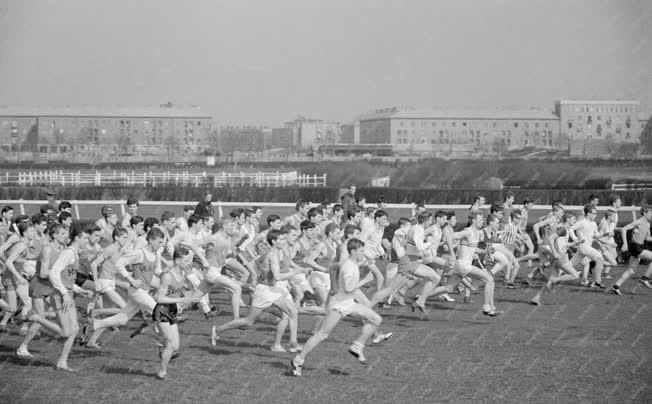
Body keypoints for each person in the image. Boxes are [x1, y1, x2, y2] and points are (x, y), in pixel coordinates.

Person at [290, 238, 382, 376]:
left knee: (376, 319)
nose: (363, 253)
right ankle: (298, 360)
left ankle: (357, 346)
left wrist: (368, 259)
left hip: (349, 303)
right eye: (361, 251)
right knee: (322, 335)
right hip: (338, 305)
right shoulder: (348, 267)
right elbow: (349, 288)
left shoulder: (352, 262)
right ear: (353, 251)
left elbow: (335, 267)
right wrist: (365, 280)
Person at [27, 225, 94, 371]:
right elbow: (53, 273)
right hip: (60, 295)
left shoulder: (74, 254)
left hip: (67, 294)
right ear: (77, 238)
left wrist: (79, 290)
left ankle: (62, 362)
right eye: (85, 238)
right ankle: (38, 318)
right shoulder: (68, 253)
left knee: (75, 329)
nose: (87, 241)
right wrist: (64, 293)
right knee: (66, 332)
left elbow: (67, 278)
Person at [153, 246, 197, 379]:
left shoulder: (182, 274)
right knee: (171, 345)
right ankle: (162, 372)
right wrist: (181, 299)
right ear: (178, 261)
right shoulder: (167, 276)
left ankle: (149, 333)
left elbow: (178, 292)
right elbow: (159, 298)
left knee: (175, 346)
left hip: (172, 311)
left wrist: (187, 300)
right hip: (162, 311)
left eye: (190, 259)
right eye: (187, 260)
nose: (190, 262)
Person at [611, 206, 652, 295]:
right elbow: (624, 229)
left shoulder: (648, 224)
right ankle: (644, 279)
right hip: (635, 247)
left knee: (631, 270)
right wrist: (625, 244)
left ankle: (615, 286)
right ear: (645, 213)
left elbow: (648, 238)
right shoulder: (638, 222)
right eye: (650, 213)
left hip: (639, 247)